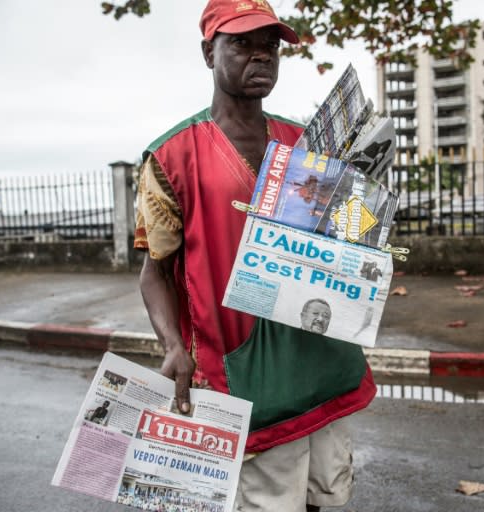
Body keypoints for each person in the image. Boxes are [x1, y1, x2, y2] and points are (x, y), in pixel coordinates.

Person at [134, 1, 376, 510]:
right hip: (246, 373)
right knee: (270, 499)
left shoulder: (306, 143)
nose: (261, 55)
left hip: (320, 361)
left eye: (271, 45)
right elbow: (154, 270)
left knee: (329, 494)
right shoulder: (172, 157)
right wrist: (173, 344)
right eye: (241, 42)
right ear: (209, 52)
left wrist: (365, 237)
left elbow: (338, 242)